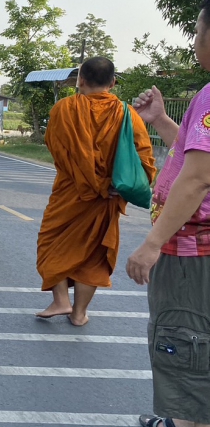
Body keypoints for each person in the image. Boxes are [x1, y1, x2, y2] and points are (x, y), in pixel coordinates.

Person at [126, 0, 210, 427]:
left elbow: (198, 177)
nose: (194, 39)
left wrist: (153, 242)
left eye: (198, 30)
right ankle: (186, 420)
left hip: (193, 246)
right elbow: (191, 151)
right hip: (188, 242)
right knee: (180, 331)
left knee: (191, 336)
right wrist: (160, 121)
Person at [35, 57, 156, 325]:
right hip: (107, 199)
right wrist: (114, 186)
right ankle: (78, 314)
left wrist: (90, 181)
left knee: (51, 242)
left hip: (72, 193)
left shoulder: (63, 109)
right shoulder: (126, 114)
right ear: (113, 83)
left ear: (80, 80)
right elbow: (144, 159)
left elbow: (58, 152)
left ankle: (60, 301)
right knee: (93, 256)